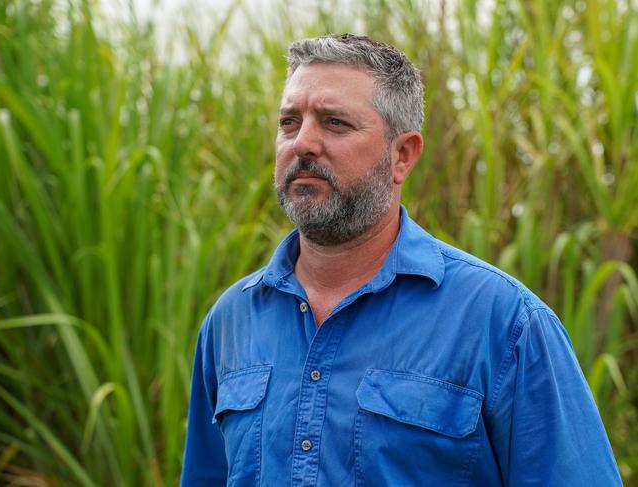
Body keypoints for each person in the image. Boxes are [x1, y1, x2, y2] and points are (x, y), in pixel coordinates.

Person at [180, 34, 622, 486]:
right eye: (289, 122)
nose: (303, 143)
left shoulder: (504, 324)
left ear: (403, 155)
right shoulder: (230, 322)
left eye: (334, 123)